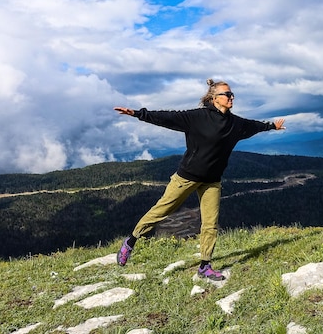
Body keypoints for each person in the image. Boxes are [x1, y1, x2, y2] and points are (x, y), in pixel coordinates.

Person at [114, 79, 286, 280]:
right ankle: (131, 242)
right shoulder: (196, 117)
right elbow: (167, 117)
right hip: (186, 177)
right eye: (227, 95)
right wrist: (137, 114)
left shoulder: (235, 123)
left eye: (232, 95)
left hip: (212, 180)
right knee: (161, 211)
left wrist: (272, 126)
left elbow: (253, 126)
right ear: (214, 98)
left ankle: (205, 265)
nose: (231, 98)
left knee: (210, 224)